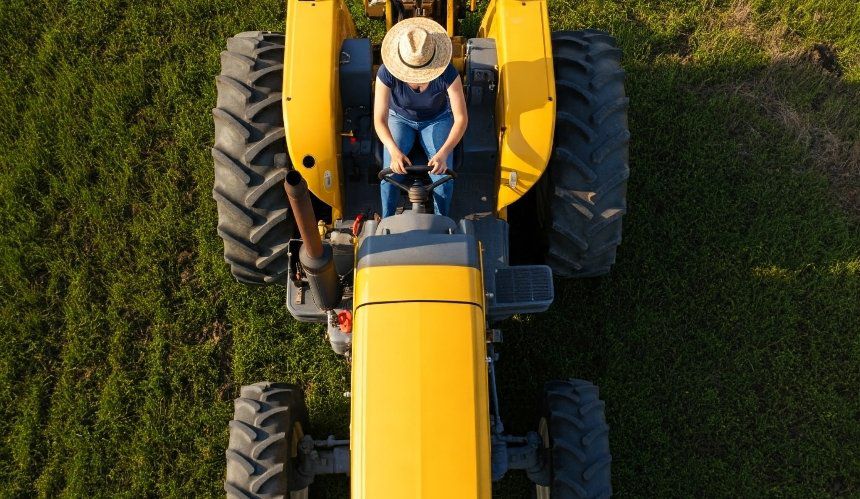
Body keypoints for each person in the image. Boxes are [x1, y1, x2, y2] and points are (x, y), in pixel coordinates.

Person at [374, 17, 468, 218]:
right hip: (400, 118)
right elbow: (379, 119)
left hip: (437, 118)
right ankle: (386, 219)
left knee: (443, 174)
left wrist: (443, 154)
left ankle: (442, 220)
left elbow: (461, 119)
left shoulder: (448, 74)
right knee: (390, 172)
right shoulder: (386, 73)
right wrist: (394, 151)